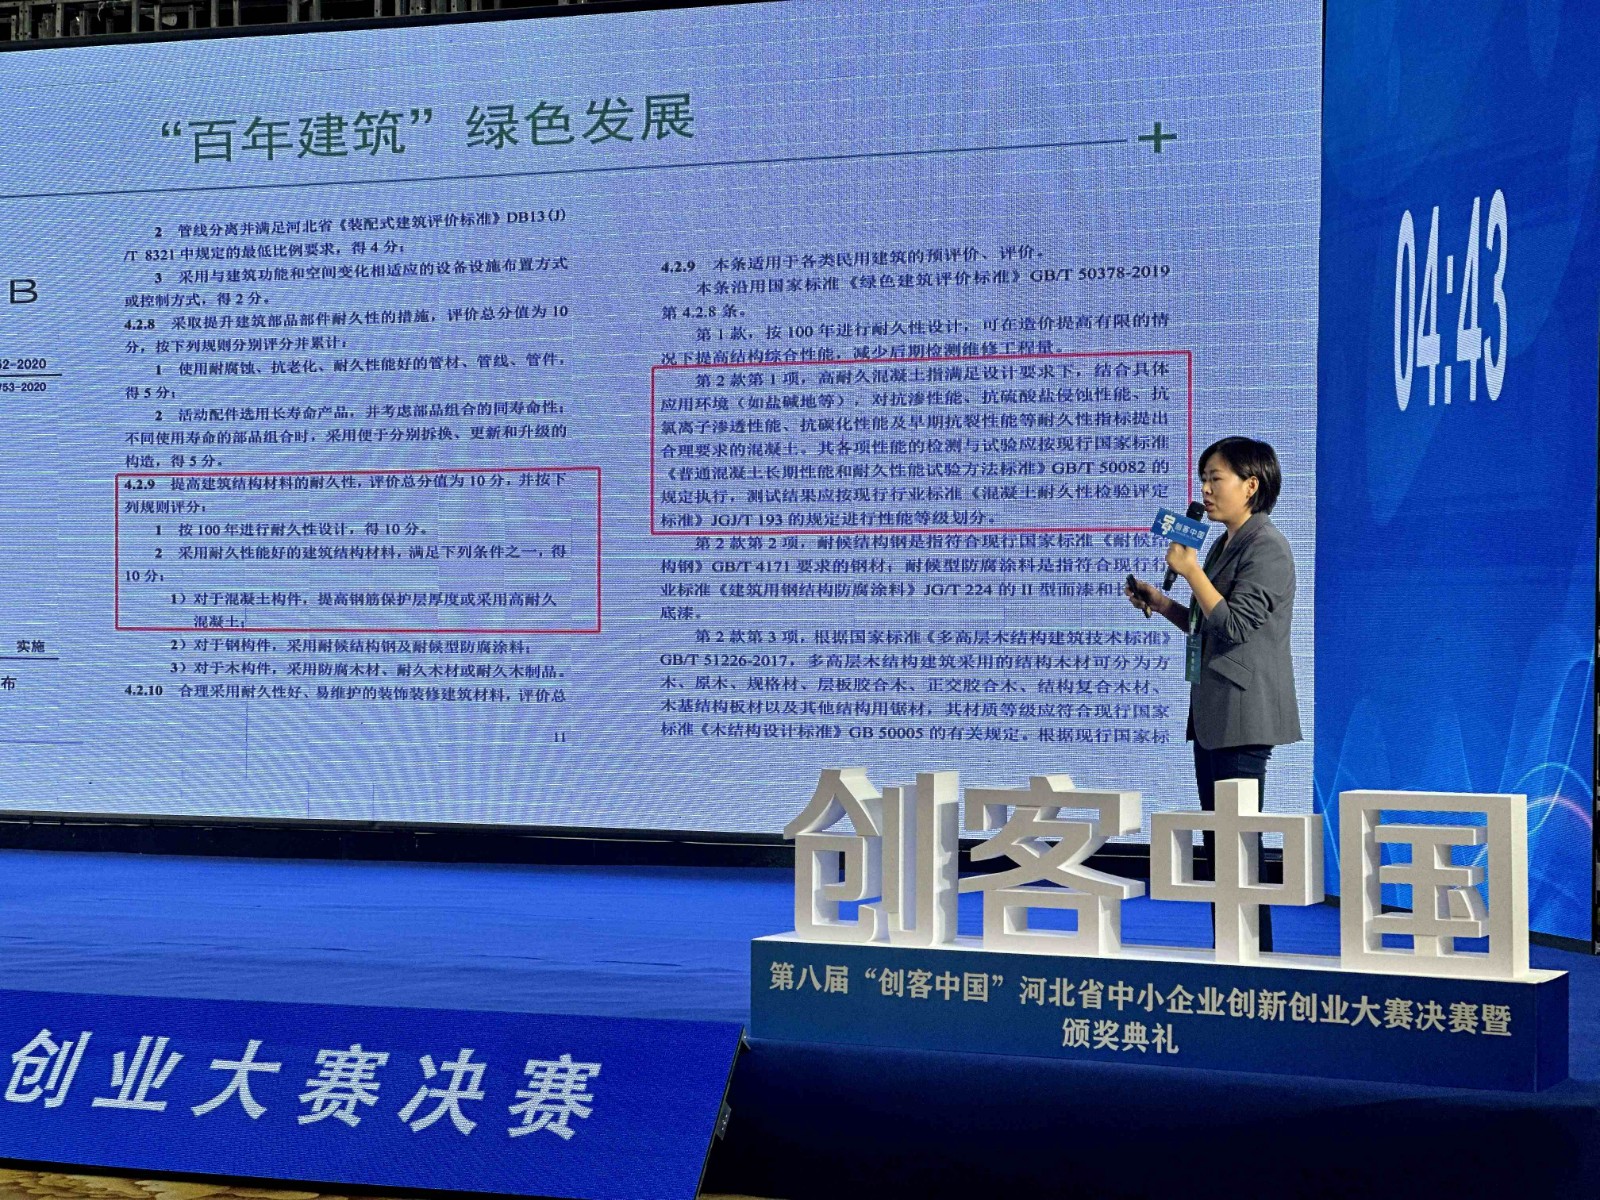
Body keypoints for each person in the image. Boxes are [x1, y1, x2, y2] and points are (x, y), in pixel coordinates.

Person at [1123, 437, 1301, 951]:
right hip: (1214, 712)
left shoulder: (1267, 547)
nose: (1204, 489)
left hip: (1243, 714)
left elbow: (1237, 626)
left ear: (1251, 485)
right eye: (1203, 478)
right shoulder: (1225, 544)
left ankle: (1253, 959)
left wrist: (1193, 571)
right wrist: (1163, 603)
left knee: (1238, 849)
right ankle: (1231, 953)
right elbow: (1208, 624)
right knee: (1220, 846)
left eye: (1215, 478)